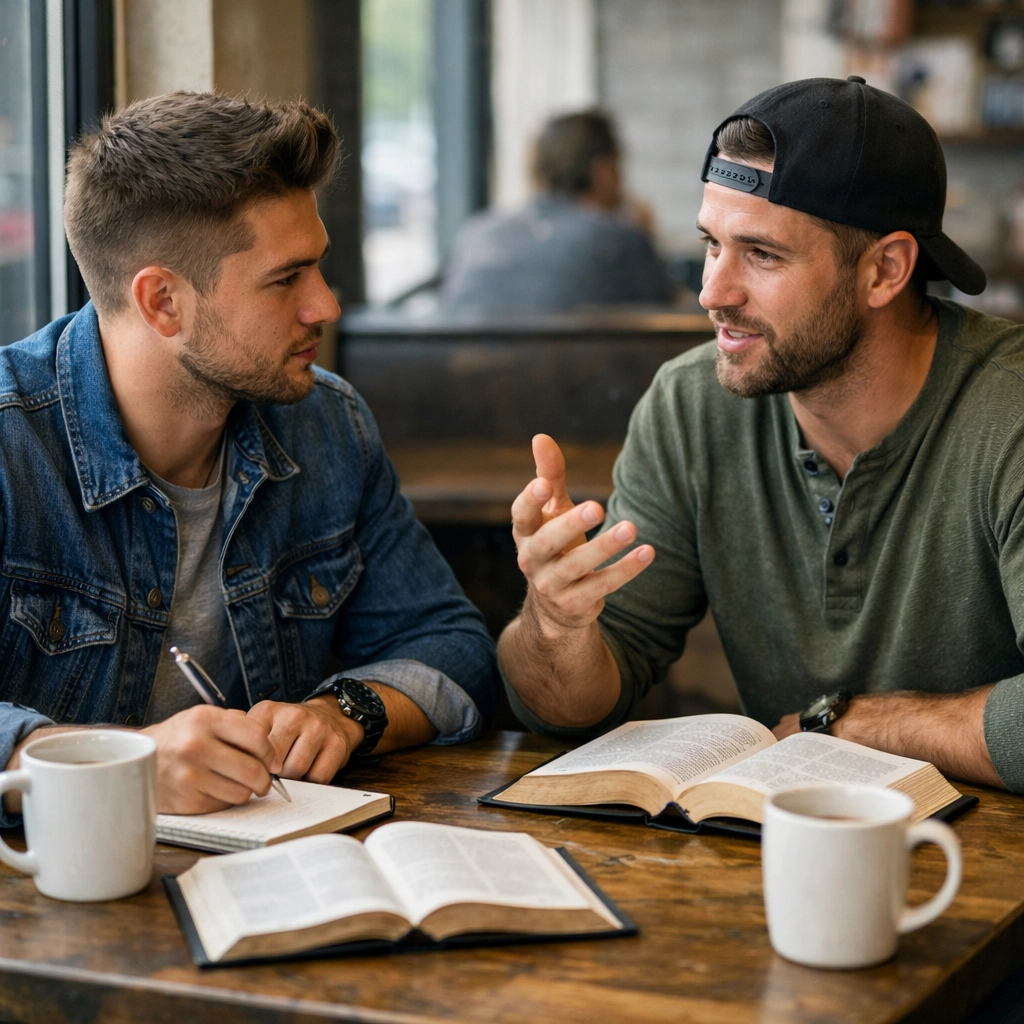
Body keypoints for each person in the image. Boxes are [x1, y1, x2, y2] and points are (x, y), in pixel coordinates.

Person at [498, 76, 1024, 794]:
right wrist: (558, 626)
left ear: (886, 270)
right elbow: (569, 706)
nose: (713, 290)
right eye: (711, 243)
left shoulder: (1010, 412)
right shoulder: (691, 406)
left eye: (763, 255)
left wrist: (851, 725)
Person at [0, 92, 499, 821]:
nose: (325, 306)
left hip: (265, 877)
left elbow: (453, 647)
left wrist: (346, 710)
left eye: (318, 269)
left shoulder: (327, 424)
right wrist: (121, 766)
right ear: (163, 302)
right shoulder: (13, 442)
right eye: (285, 278)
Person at [440, 110, 674, 312]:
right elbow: (670, 317)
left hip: (468, 364)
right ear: (602, 169)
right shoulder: (621, 239)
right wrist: (646, 236)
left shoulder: (475, 233)